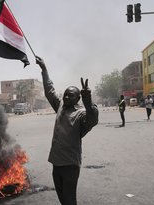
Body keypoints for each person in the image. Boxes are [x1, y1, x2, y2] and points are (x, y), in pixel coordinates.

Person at [36, 56, 98, 205]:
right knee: (63, 200)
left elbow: (93, 119)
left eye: (71, 95)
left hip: (70, 166)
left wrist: (88, 100)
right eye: (65, 94)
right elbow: (50, 91)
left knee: (70, 200)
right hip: (56, 164)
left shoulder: (81, 113)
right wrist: (44, 70)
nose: (66, 96)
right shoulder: (60, 107)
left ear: (78, 98)